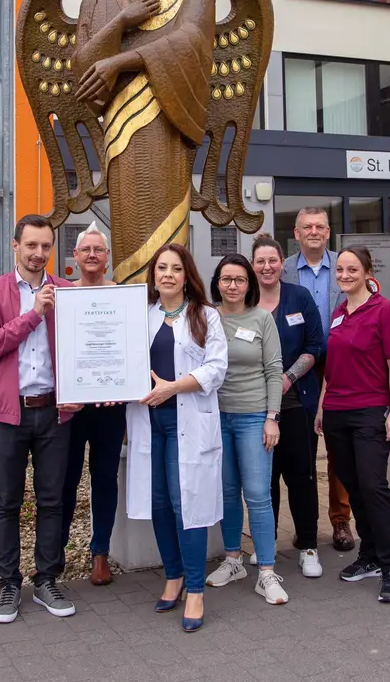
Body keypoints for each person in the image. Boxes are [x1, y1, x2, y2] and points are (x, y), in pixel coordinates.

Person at [70, 0, 215, 285]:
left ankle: (171, 312)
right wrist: (120, 22)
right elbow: (83, 69)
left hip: (170, 126)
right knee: (131, 228)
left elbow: (193, 43)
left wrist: (122, 60)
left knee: (169, 244)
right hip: (121, 135)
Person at [0, 215, 77, 624]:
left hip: (54, 411)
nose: (38, 254)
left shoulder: (67, 292)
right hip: (9, 414)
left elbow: (80, 349)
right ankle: (9, 583)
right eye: (31, 245)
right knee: (7, 502)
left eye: (45, 247)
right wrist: (33, 313)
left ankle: (47, 579)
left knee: (52, 501)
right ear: (15, 245)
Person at [126, 243, 228, 633]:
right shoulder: (143, 316)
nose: (167, 274)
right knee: (160, 503)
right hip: (148, 421)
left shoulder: (206, 316)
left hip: (187, 421)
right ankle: (173, 576)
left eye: (175, 269)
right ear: (153, 275)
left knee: (187, 503)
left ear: (187, 276)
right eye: (160, 268)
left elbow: (216, 369)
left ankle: (197, 589)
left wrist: (172, 388)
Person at [316, 246, 390, 603]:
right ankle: (368, 556)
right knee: (353, 487)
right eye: (339, 269)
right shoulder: (339, 312)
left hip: (370, 411)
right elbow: (333, 366)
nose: (344, 275)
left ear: (367, 272)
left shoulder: (384, 311)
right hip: (336, 412)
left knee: (373, 487)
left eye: (352, 269)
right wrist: (322, 407)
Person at [204, 254, 289, 605]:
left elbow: (274, 369)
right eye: (226, 279)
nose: (233, 285)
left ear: (249, 284)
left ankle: (267, 571)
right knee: (226, 493)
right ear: (217, 283)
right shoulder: (206, 317)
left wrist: (273, 417)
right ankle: (233, 560)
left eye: (239, 279)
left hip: (255, 417)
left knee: (257, 494)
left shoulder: (262, 318)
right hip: (216, 418)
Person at [281, 205, 355, 553]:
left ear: (329, 232)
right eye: (306, 227)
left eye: (320, 227)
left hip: (341, 366)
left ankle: (341, 520)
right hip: (299, 368)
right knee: (302, 448)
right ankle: (305, 525)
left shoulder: (345, 265)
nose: (314, 231)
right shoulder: (281, 271)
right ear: (296, 234)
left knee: (339, 446)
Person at [252, 235, 326, 580]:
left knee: (301, 477)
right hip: (254, 408)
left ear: (283, 263)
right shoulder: (245, 301)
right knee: (263, 480)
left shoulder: (299, 297)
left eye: (272, 260)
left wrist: (288, 378)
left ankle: (308, 546)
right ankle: (265, 546)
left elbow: (315, 344)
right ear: (252, 266)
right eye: (260, 261)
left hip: (296, 404)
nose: (267, 267)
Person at [59, 223, 126, 586]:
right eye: (86, 249)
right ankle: (56, 552)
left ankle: (100, 553)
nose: (92, 255)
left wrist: (123, 383)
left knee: (104, 480)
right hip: (72, 408)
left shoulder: (122, 297)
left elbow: (128, 347)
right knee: (65, 480)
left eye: (98, 250)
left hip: (110, 408)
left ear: (107, 258)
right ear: (75, 256)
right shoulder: (63, 296)